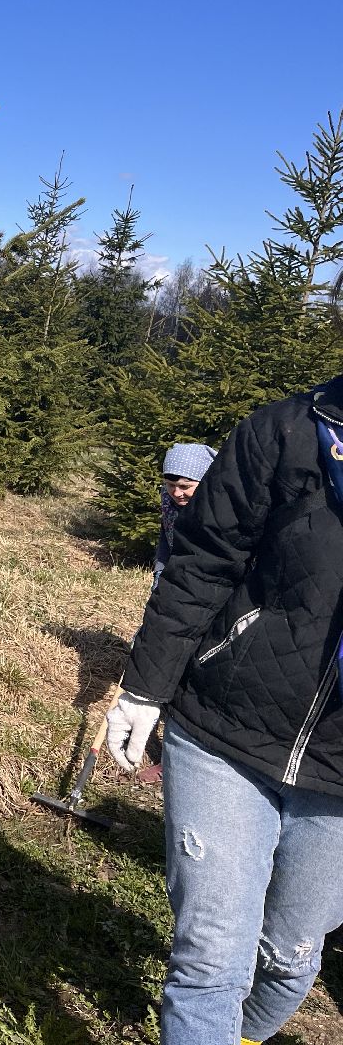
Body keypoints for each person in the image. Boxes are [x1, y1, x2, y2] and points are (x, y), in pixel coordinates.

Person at [105, 377, 343, 1044]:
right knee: (211, 965)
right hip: (223, 733)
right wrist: (144, 688)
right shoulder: (287, 432)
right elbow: (200, 563)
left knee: (290, 963)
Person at [153, 442, 217, 589]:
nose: (176, 493)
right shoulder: (168, 501)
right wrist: (160, 569)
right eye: (170, 484)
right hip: (173, 573)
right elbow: (166, 534)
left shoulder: (217, 508)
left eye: (184, 486)